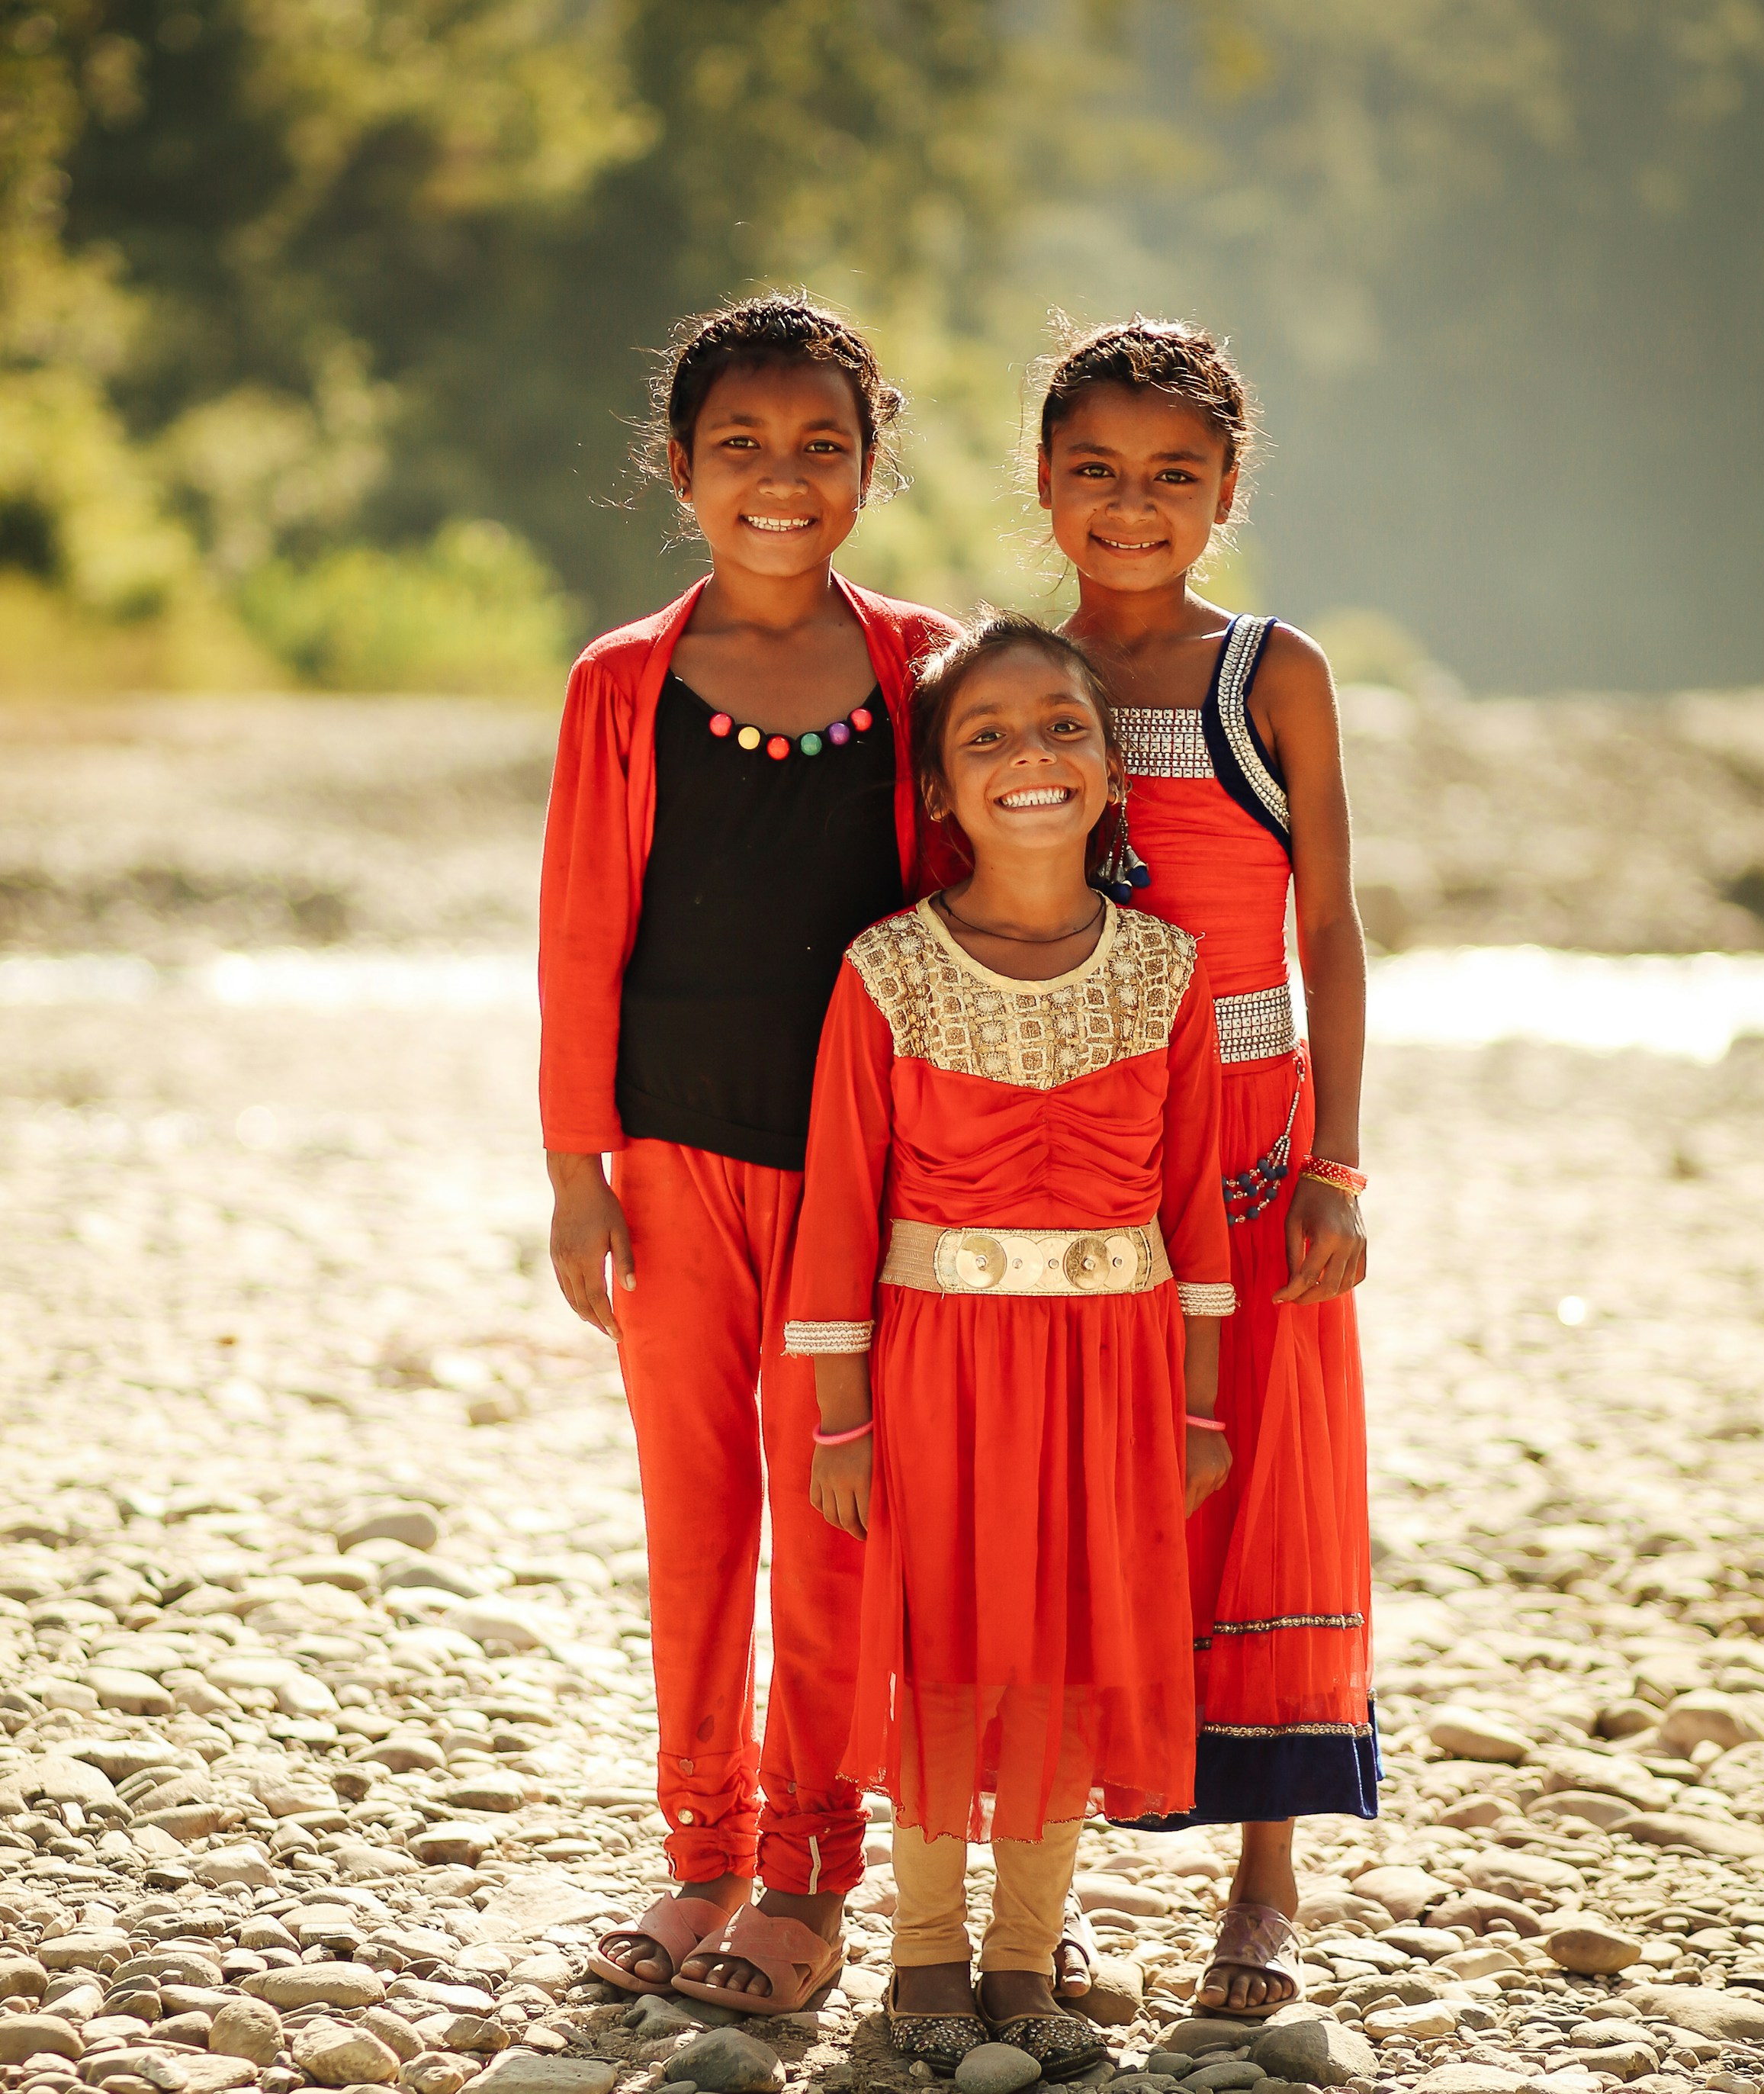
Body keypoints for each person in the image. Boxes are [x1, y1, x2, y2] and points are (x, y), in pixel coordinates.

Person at [539, 294, 958, 2014]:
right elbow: (580, 937)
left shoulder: (927, 665)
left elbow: (986, 905)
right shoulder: (625, 682)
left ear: (869, 466)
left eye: (820, 447)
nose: (781, 479)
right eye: (741, 448)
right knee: (699, 1513)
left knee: (836, 1509)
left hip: (867, 1180)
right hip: (670, 1161)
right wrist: (578, 1168)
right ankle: (703, 1848)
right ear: (680, 468)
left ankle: (809, 1867)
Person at [786, 615, 1235, 2076]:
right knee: (941, 1648)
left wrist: (1202, 1406)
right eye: (986, 735)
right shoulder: (887, 971)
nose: (1029, 757)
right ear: (935, 789)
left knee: (1058, 1649)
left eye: (1063, 729)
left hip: (1111, 1373)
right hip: (933, 1366)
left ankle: (1028, 1954)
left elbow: (1194, 1211)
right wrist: (841, 1419)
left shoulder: (1169, 972)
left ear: (1112, 770)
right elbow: (842, 1203)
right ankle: (923, 1954)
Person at [1037, 318, 1377, 2018]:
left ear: (1228, 491)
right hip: (1077, 1139)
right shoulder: (1017, 675)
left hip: (1249, 1142)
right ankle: (1050, 1876)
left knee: (1258, 1477)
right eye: (1095, 471)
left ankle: (1266, 1883)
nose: (1132, 505)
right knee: (1067, 1487)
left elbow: (1328, 924)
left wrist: (1341, 1163)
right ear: (1044, 485)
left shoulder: (1273, 676)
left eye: (1174, 476)